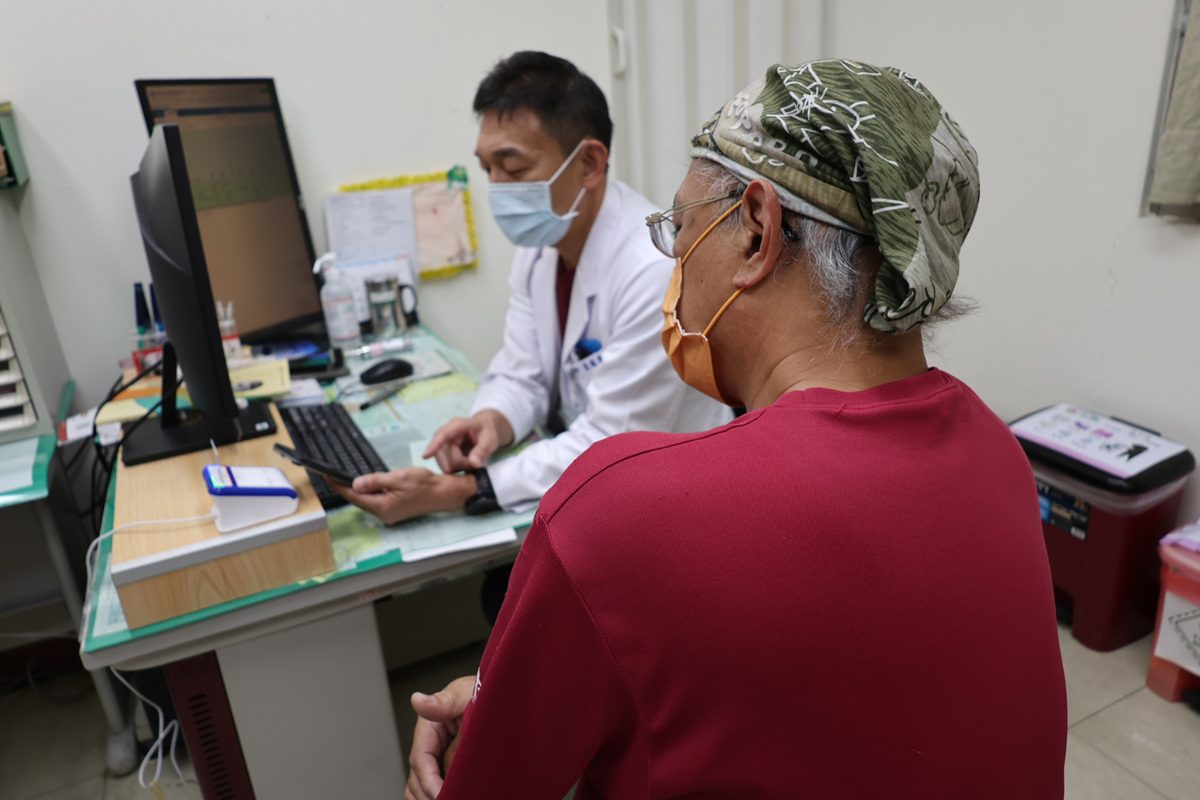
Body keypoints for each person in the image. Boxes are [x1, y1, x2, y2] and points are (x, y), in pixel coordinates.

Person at [404, 60, 1068, 799]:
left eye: (681, 229)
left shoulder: (618, 509)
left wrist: (496, 708)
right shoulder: (998, 450)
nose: (675, 265)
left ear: (756, 231)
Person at [337, 52, 730, 531]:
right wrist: (491, 421)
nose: (497, 188)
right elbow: (524, 372)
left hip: (665, 506)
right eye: (488, 169)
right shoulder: (544, 244)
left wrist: (465, 490)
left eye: (513, 168)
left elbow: (610, 442)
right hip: (590, 482)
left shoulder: (651, 270)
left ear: (589, 163)